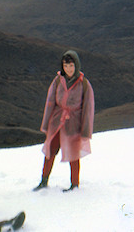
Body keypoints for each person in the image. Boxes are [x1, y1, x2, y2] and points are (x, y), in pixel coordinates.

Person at [33, 50, 95, 192]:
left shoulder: (84, 84)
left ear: (76, 66)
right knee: (50, 151)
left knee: (73, 154)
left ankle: (74, 184)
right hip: (57, 121)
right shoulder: (57, 80)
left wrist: (85, 130)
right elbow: (50, 102)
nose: (68, 69)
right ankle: (44, 181)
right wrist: (46, 123)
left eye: (71, 66)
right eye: (66, 66)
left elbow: (88, 108)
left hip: (74, 123)